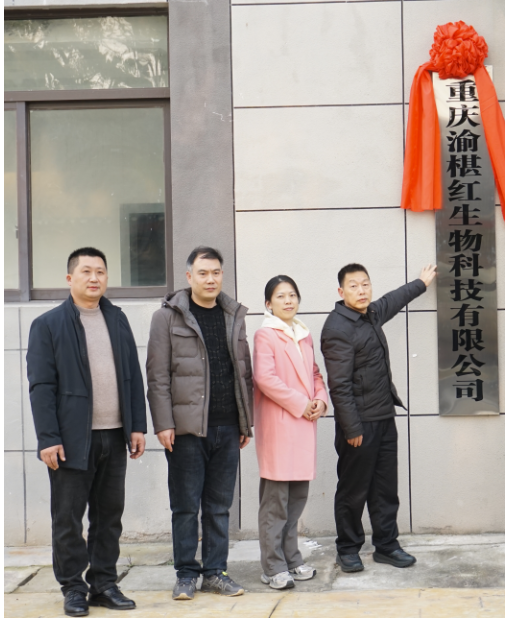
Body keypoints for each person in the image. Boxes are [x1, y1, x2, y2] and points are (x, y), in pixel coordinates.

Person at [26, 247, 146, 617]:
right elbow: (41, 386)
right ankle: (73, 588)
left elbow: (132, 375)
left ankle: (104, 584)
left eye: (100, 272)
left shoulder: (117, 319)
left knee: (109, 516)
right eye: (86, 271)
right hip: (71, 440)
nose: (94, 278)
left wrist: (137, 426)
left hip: (114, 434)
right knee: (68, 518)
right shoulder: (48, 324)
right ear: (70, 278)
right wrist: (48, 438)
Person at [146, 246, 253, 600]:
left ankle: (215, 572)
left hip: (228, 426)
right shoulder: (167, 317)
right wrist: (163, 423)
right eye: (203, 273)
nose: (211, 279)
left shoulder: (233, 315)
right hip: (186, 430)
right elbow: (157, 376)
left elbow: (244, 372)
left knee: (219, 507)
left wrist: (245, 422)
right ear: (189, 276)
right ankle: (186, 574)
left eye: (216, 273)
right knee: (185, 506)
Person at [321, 262, 437, 573]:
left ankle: (387, 545)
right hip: (359, 424)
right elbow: (339, 385)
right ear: (341, 291)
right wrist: (352, 428)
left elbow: (392, 300)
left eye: (365, 284)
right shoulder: (337, 328)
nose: (361, 291)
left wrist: (421, 283)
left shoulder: (370, 313)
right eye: (354, 286)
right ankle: (347, 549)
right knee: (353, 490)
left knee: (385, 488)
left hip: (384, 416)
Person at [253, 275, 328, 590]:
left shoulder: (303, 334)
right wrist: (301, 403)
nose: (288, 301)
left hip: (304, 423)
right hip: (281, 426)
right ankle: (272, 566)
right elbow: (264, 378)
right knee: (276, 502)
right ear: (268, 304)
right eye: (281, 296)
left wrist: (320, 400)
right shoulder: (265, 335)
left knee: (296, 498)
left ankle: (291, 559)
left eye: (292, 295)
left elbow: (315, 374)